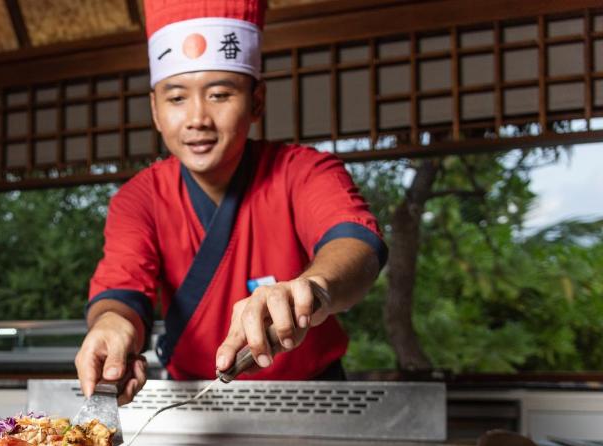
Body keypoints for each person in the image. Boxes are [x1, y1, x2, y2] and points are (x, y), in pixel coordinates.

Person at [75, 0, 386, 404]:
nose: (197, 118)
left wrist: (313, 287)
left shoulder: (304, 170)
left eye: (220, 94)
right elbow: (123, 284)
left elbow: (356, 244)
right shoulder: (140, 197)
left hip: (312, 397)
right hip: (194, 402)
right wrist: (112, 324)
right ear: (154, 109)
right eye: (176, 99)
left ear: (256, 101)